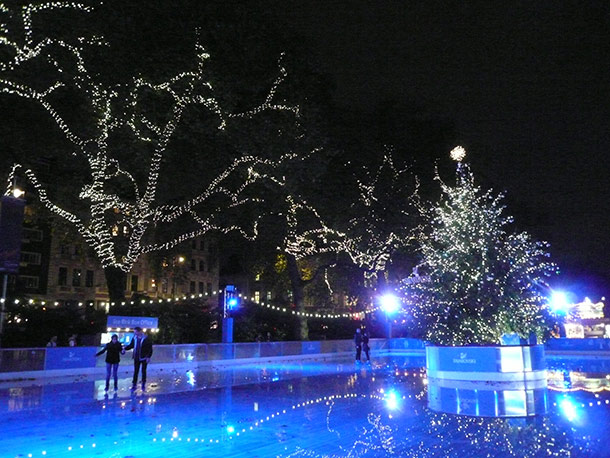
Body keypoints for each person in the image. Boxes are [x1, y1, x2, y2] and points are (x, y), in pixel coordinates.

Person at [124, 327, 153, 391]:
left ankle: (143, 383)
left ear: (140, 331)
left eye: (136, 332)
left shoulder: (146, 338)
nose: (135, 333)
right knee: (136, 371)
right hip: (136, 357)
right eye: (134, 332)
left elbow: (150, 349)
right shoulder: (134, 338)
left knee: (143, 371)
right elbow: (131, 345)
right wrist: (124, 348)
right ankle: (134, 384)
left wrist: (148, 357)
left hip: (144, 357)